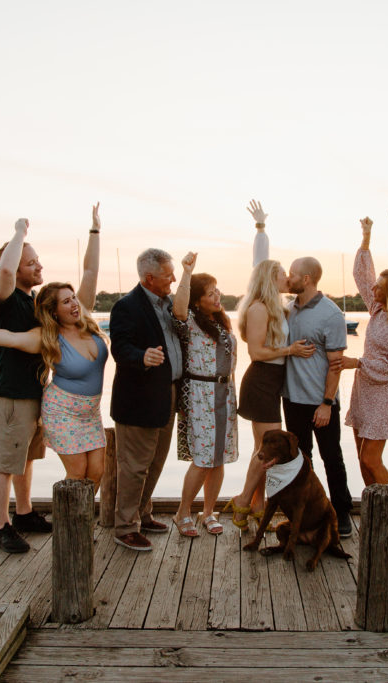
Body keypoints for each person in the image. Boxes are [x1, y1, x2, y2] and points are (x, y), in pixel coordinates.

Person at [0, 205, 108, 492]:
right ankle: (24, 526)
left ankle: (33, 513)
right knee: (66, 472)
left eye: (74, 299)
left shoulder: (76, 318)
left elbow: (90, 271)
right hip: (35, 402)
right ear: (54, 311)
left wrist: (95, 230)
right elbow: (10, 337)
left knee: (91, 471)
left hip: (73, 407)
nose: (73, 304)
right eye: (66, 301)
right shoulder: (38, 328)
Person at [225, 200, 314, 531]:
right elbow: (258, 353)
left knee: (262, 451)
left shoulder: (277, 305)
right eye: (281, 273)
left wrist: (262, 229)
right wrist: (290, 350)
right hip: (262, 381)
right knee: (268, 453)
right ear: (269, 277)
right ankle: (245, 500)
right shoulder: (260, 309)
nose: (286, 277)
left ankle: (256, 504)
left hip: (274, 382)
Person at [0, 216, 52, 553]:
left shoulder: (32, 300)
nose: (38, 266)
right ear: (15, 268)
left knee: (26, 459)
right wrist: (19, 233)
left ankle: (24, 514)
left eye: (37, 260)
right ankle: (1, 527)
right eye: (30, 262)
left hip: (34, 394)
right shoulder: (4, 298)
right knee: (4, 464)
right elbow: (4, 272)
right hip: (8, 395)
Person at [333, 216, 388, 486]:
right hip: (363, 388)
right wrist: (366, 238)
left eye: (379, 287)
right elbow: (362, 275)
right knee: (361, 458)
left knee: (372, 459)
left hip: (382, 392)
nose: (373, 288)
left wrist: (357, 363)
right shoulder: (377, 309)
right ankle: (373, 512)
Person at [108, 247, 182, 551]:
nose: (174, 279)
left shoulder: (172, 304)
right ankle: (125, 527)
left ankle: (142, 514)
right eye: (168, 275)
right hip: (138, 401)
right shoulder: (126, 306)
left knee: (156, 462)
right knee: (135, 466)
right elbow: (120, 349)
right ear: (149, 278)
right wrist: (143, 356)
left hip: (168, 394)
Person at [282, 256, 354, 537]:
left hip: (321, 402)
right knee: (300, 460)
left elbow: (336, 364)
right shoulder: (289, 309)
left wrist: (327, 402)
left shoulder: (331, 314)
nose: (288, 279)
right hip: (292, 399)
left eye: (292, 274)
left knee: (331, 457)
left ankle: (342, 512)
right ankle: (304, 515)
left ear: (307, 279)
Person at [169, 252, 240, 537]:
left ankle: (208, 512)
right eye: (210, 293)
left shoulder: (222, 322)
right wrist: (186, 273)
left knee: (219, 458)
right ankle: (182, 512)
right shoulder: (190, 322)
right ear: (197, 300)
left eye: (217, 290)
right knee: (202, 458)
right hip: (200, 394)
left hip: (225, 393)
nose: (217, 295)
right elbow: (178, 308)